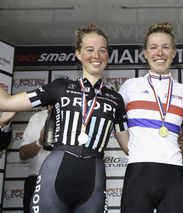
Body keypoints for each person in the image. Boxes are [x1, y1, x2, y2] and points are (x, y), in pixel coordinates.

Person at [0, 23, 129, 213]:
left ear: (108, 56)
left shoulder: (116, 99)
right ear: (78, 54)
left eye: (102, 50)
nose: (97, 55)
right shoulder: (59, 88)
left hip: (94, 177)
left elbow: (129, 146)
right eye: (90, 49)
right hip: (56, 173)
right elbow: (7, 103)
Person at [119, 22, 183, 213]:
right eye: (153, 47)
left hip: (173, 173)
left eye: (165, 47)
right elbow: (117, 124)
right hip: (137, 171)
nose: (160, 53)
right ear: (145, 53)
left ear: (173, 52)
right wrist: (128, 147)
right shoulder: (129, 87)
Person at [19, 108, 52, 213]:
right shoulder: (37, 118)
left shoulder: (72, 118)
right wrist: (39, 141)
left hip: (65, 182)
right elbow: (23, 154)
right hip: (36, 181)